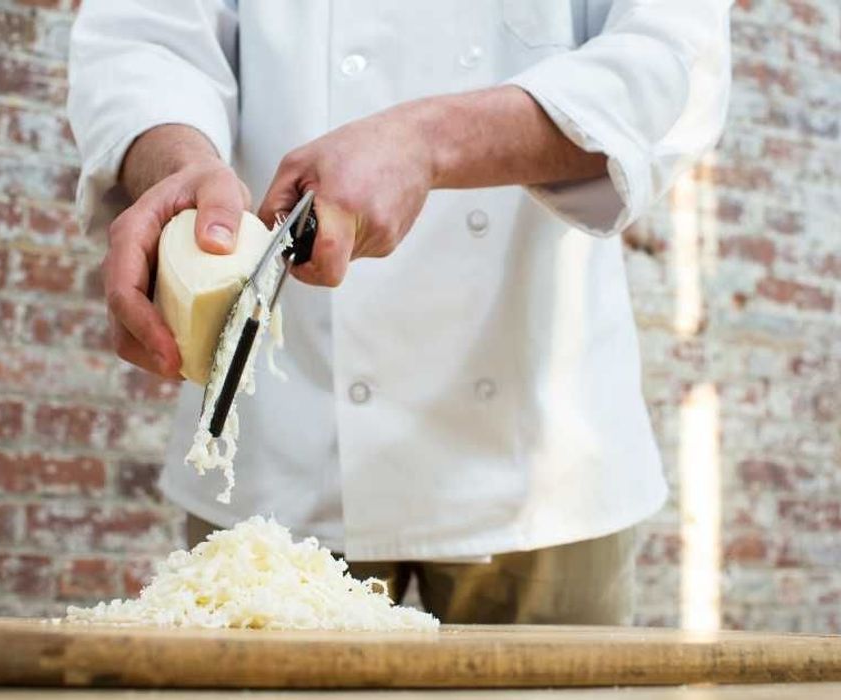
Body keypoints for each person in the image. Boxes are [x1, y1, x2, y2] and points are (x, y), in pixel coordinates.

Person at [67, 0, 731, 625]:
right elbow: (147, 37)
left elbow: (670, 59)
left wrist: (428, 141)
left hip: (542, 450)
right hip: (284, 432)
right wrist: (179, 166)